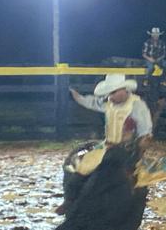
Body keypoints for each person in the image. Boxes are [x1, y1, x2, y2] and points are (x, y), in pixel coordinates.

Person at [59, 74, 153, 214]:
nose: (111, 96)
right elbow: (90, 102)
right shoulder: (108, 103)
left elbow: (145, 131)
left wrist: (139, 151)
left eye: (113, 92)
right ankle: (70, 199)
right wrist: (76, 96)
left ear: (124, 90)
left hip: (126, 149)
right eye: (110, 93)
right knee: (79, 165)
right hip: (107, 145)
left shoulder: (137, 106)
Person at [142, 27, 166, 94]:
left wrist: (159, 59)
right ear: (152, 35)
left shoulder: (162, 43)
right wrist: (150, 59)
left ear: (159, 35)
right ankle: (146, 80)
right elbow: (144, 54)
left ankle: (162, 80)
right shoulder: (147, 42)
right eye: (154, 34)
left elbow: (164, 54)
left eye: (157, 35)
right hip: (149, 59)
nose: (155, 36)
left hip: (158, 59)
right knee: (151, 68)